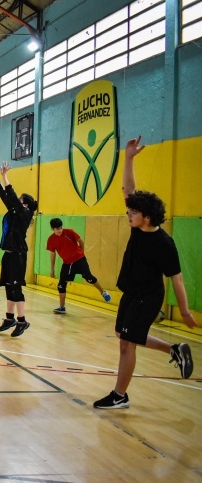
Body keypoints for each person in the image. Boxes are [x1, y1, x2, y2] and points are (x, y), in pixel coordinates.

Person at [93, 135, 196, 410]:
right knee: (124, 336)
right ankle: (173, 349)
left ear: (147, 217)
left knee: (127, 344)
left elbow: (177, 279)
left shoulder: (164, 244)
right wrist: (128, 157)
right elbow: (129, 188)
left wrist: (184, 312)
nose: (127, 214)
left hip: (147, 296)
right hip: (131, 292)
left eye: (132, 212)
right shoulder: (137, 227)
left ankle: (119, 395)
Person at [0, 161, 38, 338]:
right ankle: (9, 318)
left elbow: (10, 195)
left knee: (17, 289)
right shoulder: (15, 211)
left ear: (25, 205)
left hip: (18, 255)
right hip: (9, 255)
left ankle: (22, 320)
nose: (16, 201)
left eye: (19, 200)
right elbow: (5, 197)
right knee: (8, 287)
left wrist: (5, 176)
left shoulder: (25, 214)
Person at [46, 217, 112, 313]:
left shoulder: (69, 232)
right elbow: (52, 254)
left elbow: (80, 241)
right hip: (67, 263)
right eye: (57, 229)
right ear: (52, 229)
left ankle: (103, 292)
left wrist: (82, 253)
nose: (60, 230)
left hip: (79, 260)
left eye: (60, 228)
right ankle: (62, 307)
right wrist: (52, 269)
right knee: (61, 285)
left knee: (89, 277)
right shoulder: (51, 239)